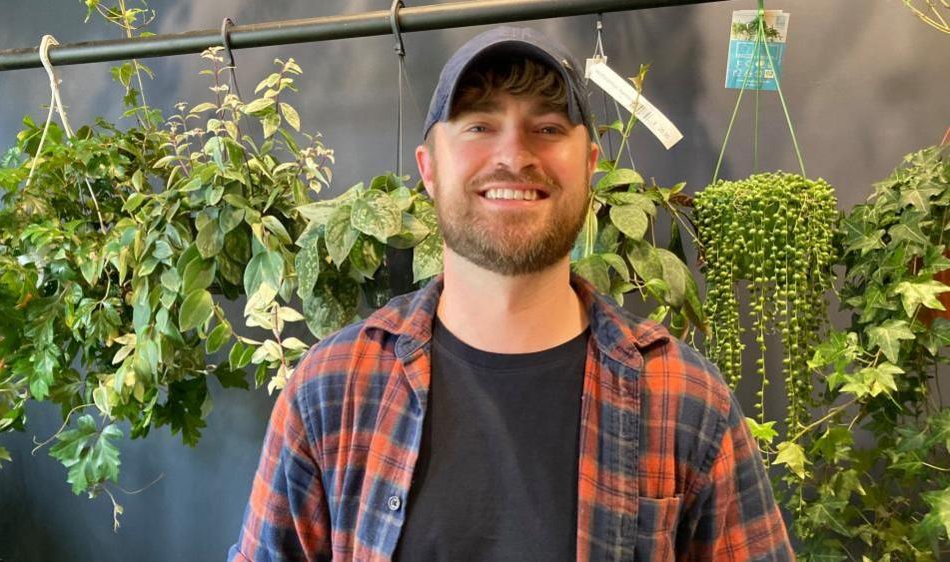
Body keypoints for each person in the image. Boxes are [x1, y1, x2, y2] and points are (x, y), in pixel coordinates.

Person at [228, 26, 793, 562]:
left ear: (591, 167)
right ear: (429, 169)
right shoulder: (334, 389)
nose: (515, 154)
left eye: (548, 127)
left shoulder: (685, 400)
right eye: (478, 125)